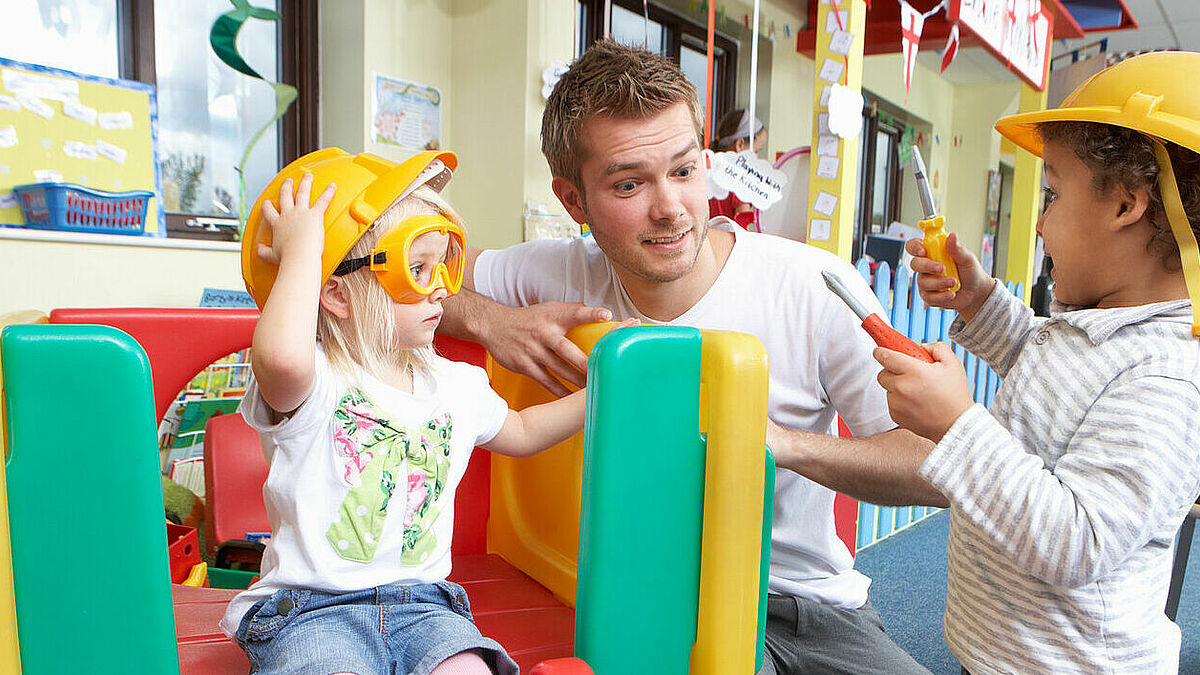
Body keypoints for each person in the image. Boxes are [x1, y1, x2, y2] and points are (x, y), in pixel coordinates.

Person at [441, 38, 941, 674]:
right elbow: (406, 278)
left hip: (801, 605)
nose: (671, 207)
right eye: (629, 184)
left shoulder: (812, 286)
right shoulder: (556, 271)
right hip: (632, 596)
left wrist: (778, 443)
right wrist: (492, 320)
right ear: (574, 202)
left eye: (683, 171)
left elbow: (931, 466)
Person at [222, 148, 627, 675]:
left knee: (468, 669)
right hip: (312, 611)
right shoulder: (316, 382)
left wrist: (604, 395)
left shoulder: (456, 384)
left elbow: (523, 430)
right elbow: (278, 353)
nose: (441, 288)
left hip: (424, 606)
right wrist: (303, 251)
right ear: (337, 295)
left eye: (446, 264)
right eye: (417, 269)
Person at [874, 51, 1200, 673]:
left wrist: (957, 426)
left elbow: (1078, 541)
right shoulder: (1097, 326)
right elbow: (1048, 371)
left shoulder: (1165, 378)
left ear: (1126, 206)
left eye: (1051, 193)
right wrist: (980, 301)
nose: (1041, 225)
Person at [709, 108, 768, 231]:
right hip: (728, 247)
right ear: (740, 145)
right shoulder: (740, 181)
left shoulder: (708, 171)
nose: (757, 157)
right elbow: (742, 227)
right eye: (756, 151)